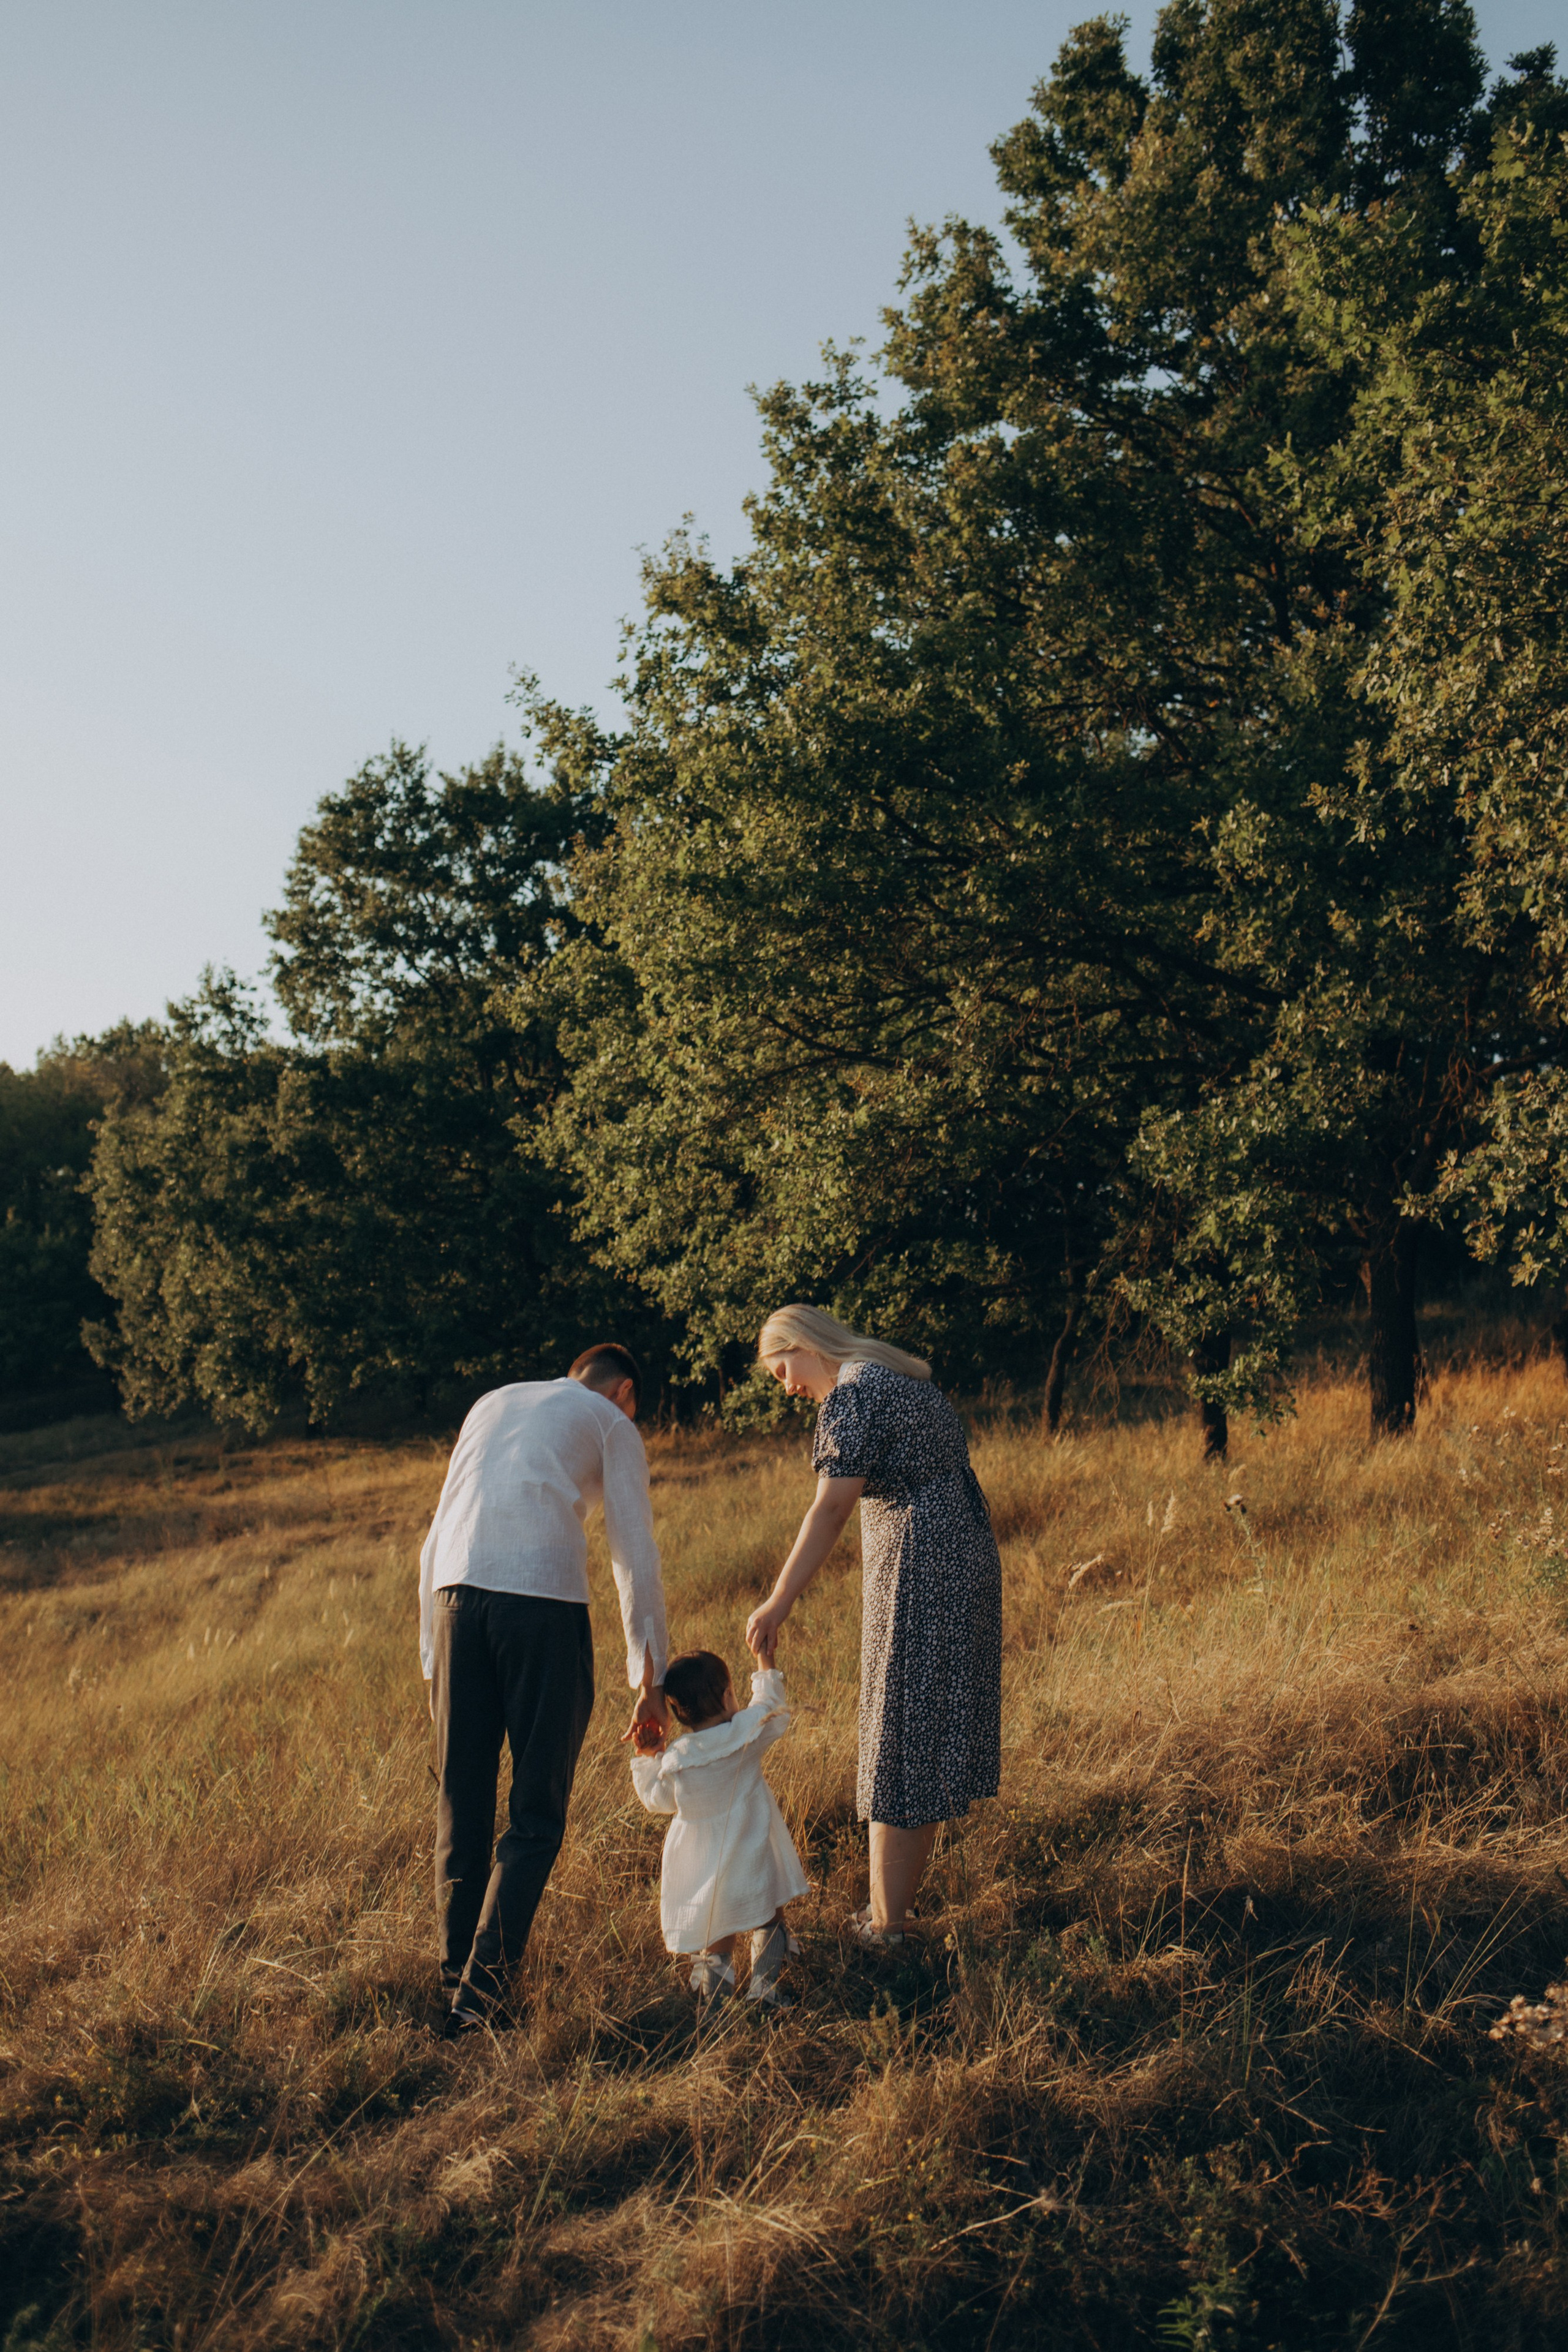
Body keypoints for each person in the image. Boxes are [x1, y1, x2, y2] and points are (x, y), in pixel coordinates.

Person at [418, 1342, 669, 2035]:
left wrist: (430, 1658)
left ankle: (455, 1983)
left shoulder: (490, 1402)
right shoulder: (610, 1421)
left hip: (452, 1604)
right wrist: (649, 1677)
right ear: (623, 1392)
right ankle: (484, 1994)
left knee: (460, 1800)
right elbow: (633, 1549)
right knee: (535, 1808)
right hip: (541, 1605)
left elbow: (434, 1534)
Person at [745, 1305, 1001, 1946]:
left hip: (919, 1563)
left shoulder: (854, 1396)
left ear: (805, 1345)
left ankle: (886, 1928)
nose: (787, 1387)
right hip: (961, 1550)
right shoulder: (899, 1376)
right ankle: (893, 1914)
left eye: (783, 1369)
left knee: (897, 1734)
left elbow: (831, 1508)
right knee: (921, 1731)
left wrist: (778, 1600)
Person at [630, 1646, 808, 2007]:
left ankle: (716, 2004)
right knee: (770, 1915)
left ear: (678, 1714)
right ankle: (765, 1989)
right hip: (754, 1852)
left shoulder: (678, 1760)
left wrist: (650, 1756)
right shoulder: (745, 1733)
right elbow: (771, 1708)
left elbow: (657, 1800)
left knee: (718, 1934)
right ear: (729, 1696)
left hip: (706, 1868)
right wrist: (765, 1660)